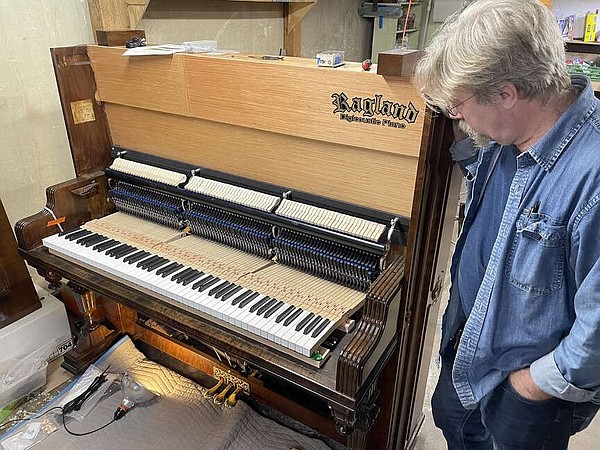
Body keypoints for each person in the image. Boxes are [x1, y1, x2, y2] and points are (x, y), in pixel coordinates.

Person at [414, 0, 600, 448]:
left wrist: (529, 386)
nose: (454, 116)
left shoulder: (592, 177)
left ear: (506, 94)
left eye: (458, 105)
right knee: (456, 429)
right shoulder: (508, 133)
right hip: (469, 355)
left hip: (527, 393)